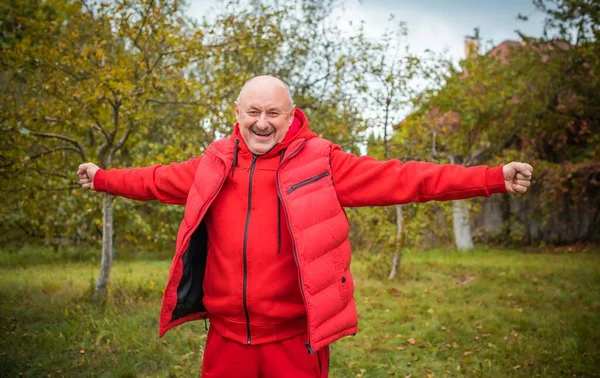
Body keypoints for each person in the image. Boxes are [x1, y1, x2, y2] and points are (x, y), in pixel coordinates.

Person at [77, 75, 533, 377]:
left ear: (291, 114)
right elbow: (154, 180)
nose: (262, 122)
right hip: (226, 338)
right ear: (237, 112)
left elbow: (405, 178)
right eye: (252, 112)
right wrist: (101, 178)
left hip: (295, 342)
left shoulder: (322, 161)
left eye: (273, 113)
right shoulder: (214, 162)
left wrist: (491, 178)